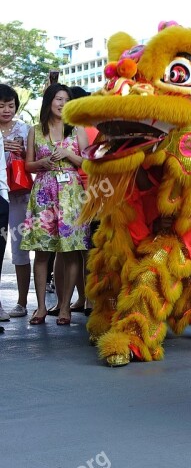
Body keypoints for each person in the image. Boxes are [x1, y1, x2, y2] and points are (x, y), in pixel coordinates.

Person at [21, 83, 90, 325]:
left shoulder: (77, 129)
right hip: (43, 192)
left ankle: (64, 308)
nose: (62, 103)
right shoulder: (34, 130)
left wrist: (68, 155)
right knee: (42, 252)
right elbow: (28, 165)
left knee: (71, 252)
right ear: (49, 101)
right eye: (58, 99)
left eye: (66, 99)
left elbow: (87, 163)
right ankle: (40, 307)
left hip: (71, 194)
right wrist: (42, 163)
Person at [0, 84, 32, 320]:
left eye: (10, 105)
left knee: (20, 247)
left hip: (19, 195)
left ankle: (21, 302)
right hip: (0, 192)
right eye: (1, 105)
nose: (6, 110)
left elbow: (33, 159)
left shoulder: (25, 129)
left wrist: (21, 153)